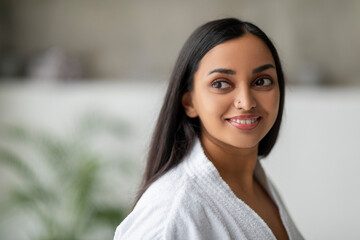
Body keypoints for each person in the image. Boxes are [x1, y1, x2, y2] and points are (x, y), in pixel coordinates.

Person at [113, 18, 304, 240]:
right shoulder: (170, 213)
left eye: (261, 81)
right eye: (221, 84)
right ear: (189, 102)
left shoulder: (255, 183)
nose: (246, 102)